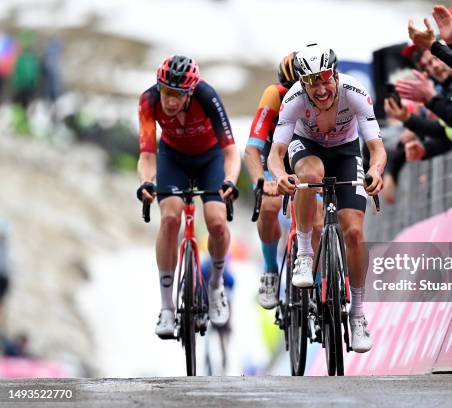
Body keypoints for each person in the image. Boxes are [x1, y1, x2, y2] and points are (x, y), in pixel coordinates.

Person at [268, 44, 386, 353]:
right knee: (311, 175)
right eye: (312, 82)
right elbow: (276, 153)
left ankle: (358, 314)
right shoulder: (293, 99)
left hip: (346, 152)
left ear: (335, 74)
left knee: (355, 231)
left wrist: (375, 170)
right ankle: (305, 254)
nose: (320, 89)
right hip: (307, 148)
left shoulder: (354, 91)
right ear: (303, 83)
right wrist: (280, 175)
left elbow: (376, 147)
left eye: (325, 79)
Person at [136, 55, 240, 338]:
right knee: (170, 217)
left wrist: (230, 179)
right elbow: (146, 154)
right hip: (173, 158)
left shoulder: (206, 96)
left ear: (190, 92)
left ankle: (216, 285)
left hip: (210, 158)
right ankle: (167, 307)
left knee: (217, 221)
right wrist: (146, 182)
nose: (169, 100)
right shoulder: (149, 101)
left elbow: (231, 151)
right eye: (166, 92)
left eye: (177, 95)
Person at [244, 52, 324, 310]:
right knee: (268, 206)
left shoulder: (322, 96)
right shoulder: (273, 95)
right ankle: (270, 270)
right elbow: (253, 148)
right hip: (275, 157)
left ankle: (320, 282)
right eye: (289, 90)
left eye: (301, 89)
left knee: (319, 219)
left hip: (309, 157)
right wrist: (260, 181)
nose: (294, 97)